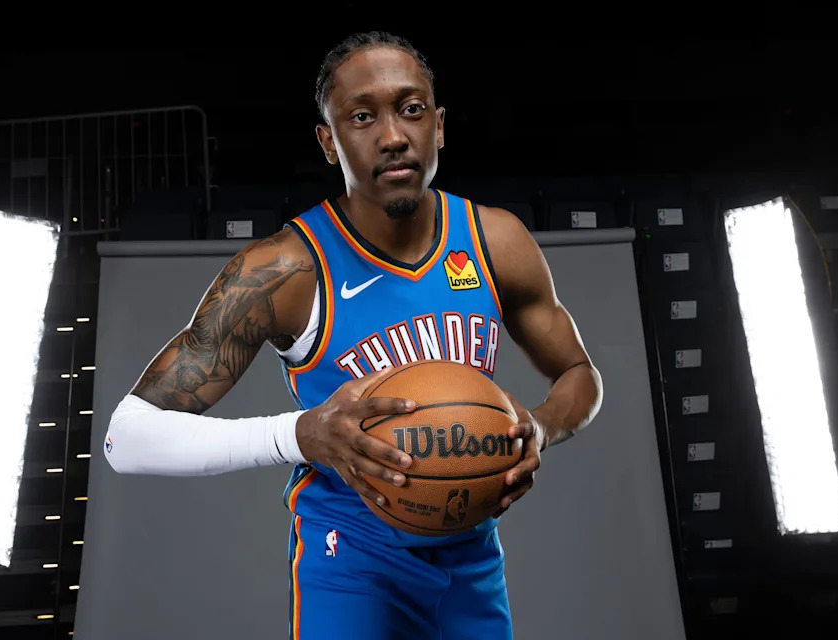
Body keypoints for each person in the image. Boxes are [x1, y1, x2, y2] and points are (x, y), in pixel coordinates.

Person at [104, 30, 603, 640]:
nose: (393, 136)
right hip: (350, 561)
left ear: (439, 126)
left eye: (411, 109)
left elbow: (580, 374)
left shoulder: (495, 241)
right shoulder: (284, 270)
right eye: (362, 116)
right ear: (328, 141)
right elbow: (127, 438)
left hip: (472, 557)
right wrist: (299, 434)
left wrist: (541, 428)